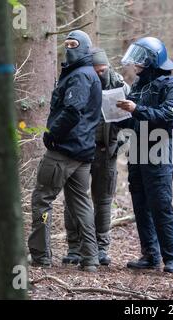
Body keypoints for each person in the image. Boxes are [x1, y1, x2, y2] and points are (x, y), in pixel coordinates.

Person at [27, 30, 102, 272]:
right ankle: (90, 259)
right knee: (81, 205)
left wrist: (51, 135)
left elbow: (72, 111)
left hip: (64, 151)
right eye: (67, 44)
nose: (69, 48)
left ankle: (40, 256)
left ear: (86, 48)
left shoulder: (80, 75)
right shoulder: (87, 74)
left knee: (42, 200)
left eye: (75, 44)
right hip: (82, 152)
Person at [115, 37, 173, 273]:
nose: (136, 65)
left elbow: (167, 116)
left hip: (157, 151)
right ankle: (150, 255)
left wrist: (137, 109)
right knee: (139, 203)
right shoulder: (139, 85)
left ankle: (172, 258)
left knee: (160, 204)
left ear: (153, 61)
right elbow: (133, 118)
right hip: (136, 150)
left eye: (141, 61)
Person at [61, 48, 130, 266]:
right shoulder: (77, 82)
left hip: (105, 151)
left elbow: (132, 118)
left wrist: (119, 141)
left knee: (103, 201)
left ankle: (101, 247)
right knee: (74, 199)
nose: (99, 74)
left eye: (103, 70)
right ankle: (74, 247)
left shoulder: (120, 85)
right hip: (78, 150)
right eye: (96, 70)